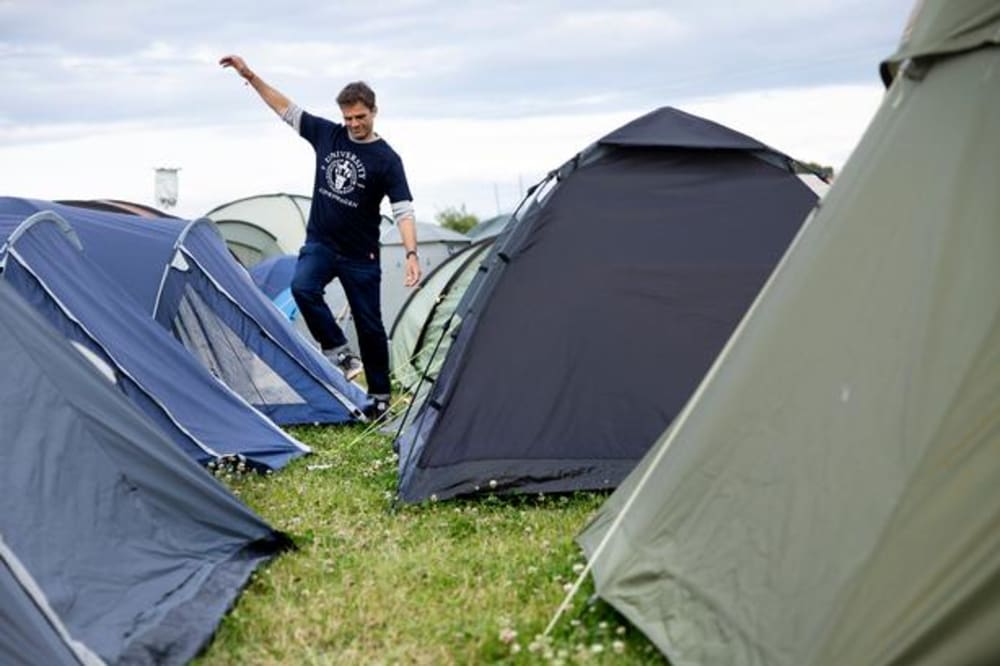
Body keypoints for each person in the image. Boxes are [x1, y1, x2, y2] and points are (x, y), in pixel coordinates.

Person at [220, 54, 420, 420]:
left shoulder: (387, 159)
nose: (354, 124)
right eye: (349, 118)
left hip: (361, 255)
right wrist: (250, 75)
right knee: (303, 287)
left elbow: (404, 209)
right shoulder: (328, 134)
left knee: (370, 326)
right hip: (321, 244)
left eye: (361, 117)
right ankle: (338, 351)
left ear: (374, 112)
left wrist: (411, 254)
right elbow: (285, 109)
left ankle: (379, 398)